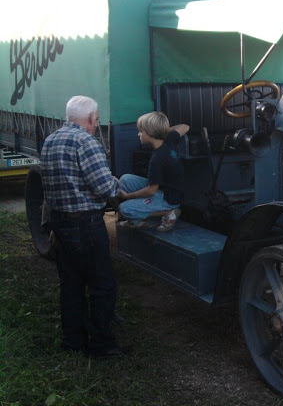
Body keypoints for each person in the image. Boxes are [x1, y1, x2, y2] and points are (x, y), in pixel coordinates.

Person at [40, 95, 126, 359]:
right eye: (96, 120)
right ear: (90, 118)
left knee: (71, 284)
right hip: (85, 223)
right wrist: (117, 185)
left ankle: (73, 341)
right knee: (102, 284)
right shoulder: (86, 142)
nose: (95, 125)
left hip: (60, 221)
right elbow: (104, 187)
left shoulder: (50, 140)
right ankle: (102, 347)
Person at [118, 112, 189, 232]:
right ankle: (140, 214)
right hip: (167, 188)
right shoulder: (169, 139)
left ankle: (169, 212)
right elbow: (185, 126)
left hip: (169, 198)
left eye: (141, 131)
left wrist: (127, 196)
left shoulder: (157, 158)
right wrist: (162, 131)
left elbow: (151, 190)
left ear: (151, 133)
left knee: (124, 209)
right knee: (125, 179)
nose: (138, 134)